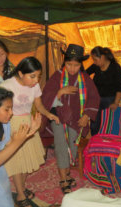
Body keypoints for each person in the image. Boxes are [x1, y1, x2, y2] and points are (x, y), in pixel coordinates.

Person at [0, 56, 59, 207]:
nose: (35, 80)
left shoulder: (34, 86)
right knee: (18, 162)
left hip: (29, 125)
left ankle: (22, 187)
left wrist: (49, 114)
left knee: (28, 161)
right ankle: (20, 194)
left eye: (38, 76)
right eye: (32, 76)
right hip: (13, 125)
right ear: (20, 73)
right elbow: (0, 109)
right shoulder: (7, 86)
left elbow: (38, 104)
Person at [41, 44, 100, 194]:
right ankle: (63, 179)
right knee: (61, 146)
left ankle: (67, 173)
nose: (72, 68)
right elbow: (46, 95)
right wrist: (60, 92)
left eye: (76, 65)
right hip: (58, 118)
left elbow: (94, 98)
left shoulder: (85, 78)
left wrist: (87, 115)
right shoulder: (57, 76)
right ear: (64, 62)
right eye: (69, 64)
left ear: (81, 64)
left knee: (73, 147)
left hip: (77, 120)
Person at [86, 46, 121, 135]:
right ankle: (94, 142)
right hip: (95, 99)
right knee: (94, 124)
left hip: (109, 100)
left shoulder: (115, 68)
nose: (94, 62)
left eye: (95, 59)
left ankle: (105, 144)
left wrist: (116, 103)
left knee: (107, 124)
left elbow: (119, 87)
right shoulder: (95, 66)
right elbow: (84, 74)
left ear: (102, 57)